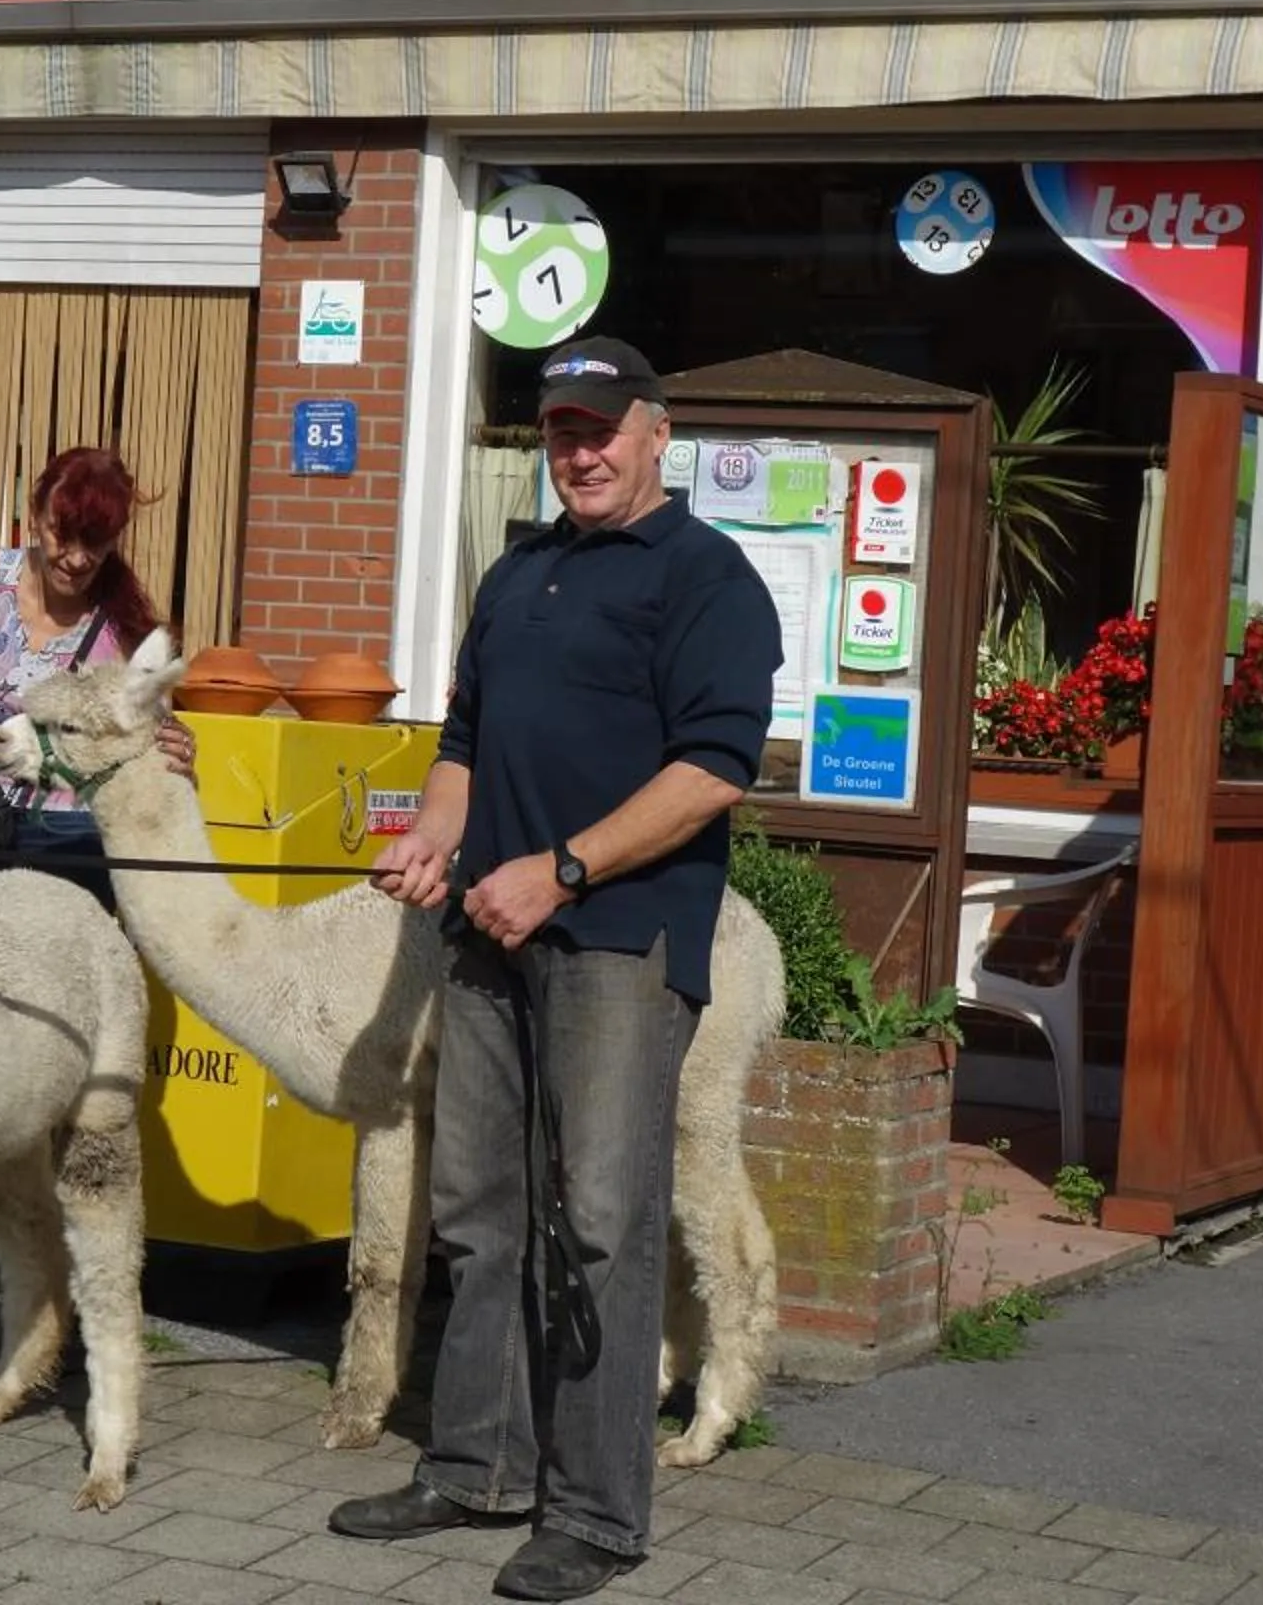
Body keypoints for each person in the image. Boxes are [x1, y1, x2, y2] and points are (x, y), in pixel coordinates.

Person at [333, 338, 781, 1603]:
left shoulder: (707, 576)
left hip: (616, 945)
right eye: (560, 432)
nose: (579, 453)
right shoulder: (516, 568)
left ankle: (596, 1512)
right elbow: (465, 738)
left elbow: (713, 768)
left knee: (600, 1222)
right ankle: (477, 1462)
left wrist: (562, 870)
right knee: (477, 1210)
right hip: (488, 935)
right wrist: (435, 831)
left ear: (656, 431)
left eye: (602, 430)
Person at [0, 446, 193, 913]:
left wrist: (181, 752)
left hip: (72, 842)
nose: (76, 558)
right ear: (33, 515)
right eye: (61, 535)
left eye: (96, 542)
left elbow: (158, 741)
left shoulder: (124, 628)